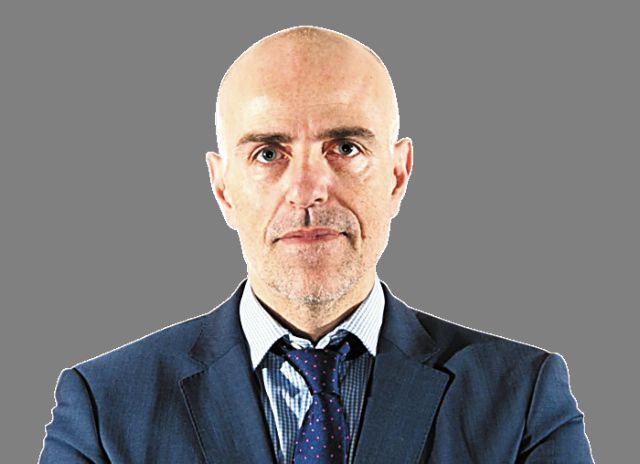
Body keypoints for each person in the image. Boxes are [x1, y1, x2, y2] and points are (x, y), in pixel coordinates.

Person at [39, 25, 593, 463]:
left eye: (346, 147)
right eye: (268, 153)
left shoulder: (521, 399)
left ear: (397, 175)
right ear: (223, 188)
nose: (306, 190)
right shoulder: (104, 408)